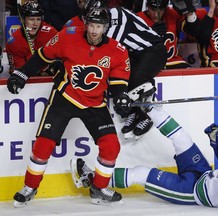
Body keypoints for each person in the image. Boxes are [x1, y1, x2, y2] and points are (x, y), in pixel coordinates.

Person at [7, 7, 132, 207]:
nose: (94, 31)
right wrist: (22, 74)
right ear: (85, 23)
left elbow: (118, 83)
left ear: (105, 28)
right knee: (43, 144)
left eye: (98, 26)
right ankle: (30, 187)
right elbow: (42, 56)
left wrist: (121, 98)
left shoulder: (118, 51)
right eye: (91, 25)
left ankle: (99, 188)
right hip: (65, 97)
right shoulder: (68, 36)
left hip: (95, 103)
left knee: (111, 146)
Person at [72, 92, 218, 207]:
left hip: (192, 192)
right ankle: (150, 109)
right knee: (182, 138)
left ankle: (92, 179)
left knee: (143, 174)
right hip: (203, 174)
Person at [65, 0, 167, 140]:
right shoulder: (103, 21)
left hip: (154, 50)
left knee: (136, 77)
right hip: (134, 54)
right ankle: (134, 111)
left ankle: (147, 114)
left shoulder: (118, 16)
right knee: (119, 78)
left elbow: (108, 48)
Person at [5, 1, 59, 76]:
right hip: (28, 84)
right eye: (31, 19)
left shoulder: (51, 34)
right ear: (22, 20)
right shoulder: (14, 42)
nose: (35, 24)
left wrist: (50, 70)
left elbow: (62, 58)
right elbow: (19, 72)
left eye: (38, 19)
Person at [137, 0, 192, 69]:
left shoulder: (173, 15)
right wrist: (150, 34)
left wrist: (189, 12)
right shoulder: (138, 19)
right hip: (149, 64)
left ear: (165, 8)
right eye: (153, 10)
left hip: (174, 61)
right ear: (147, 6)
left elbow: (193, 31)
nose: (156, 14)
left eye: (161, 10)